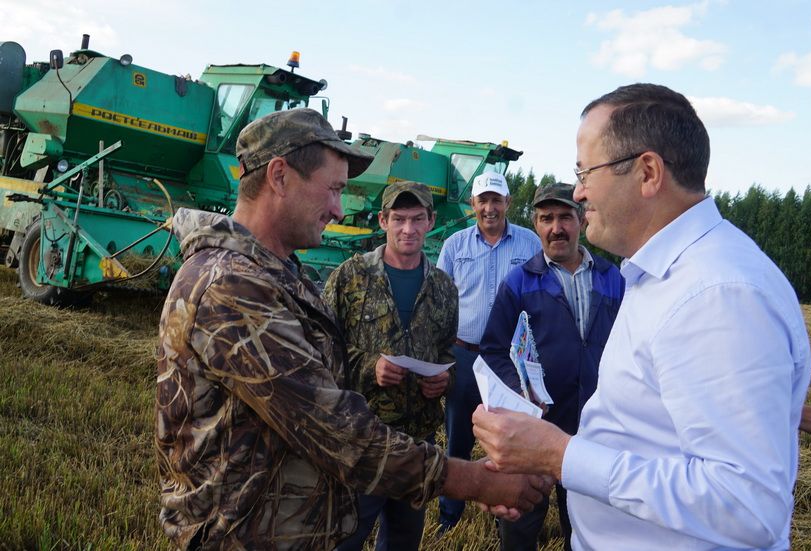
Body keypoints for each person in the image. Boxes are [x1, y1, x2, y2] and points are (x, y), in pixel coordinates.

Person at [155, 108, 551, 550]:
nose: (339, 208)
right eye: (334, 189)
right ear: (280, 177)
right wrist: (475, 481)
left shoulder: (278, 275)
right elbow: (337, 431)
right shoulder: (233, 287)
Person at [472, 84, 811, 550]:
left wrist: (562, 456)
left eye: (585, 171)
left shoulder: (718, 294)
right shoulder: (658, 275)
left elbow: (747, 505)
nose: (579, 191)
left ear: (648, 172)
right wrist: (551, 458)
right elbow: (643, 430)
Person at [480, 182, 624, 550]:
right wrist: (523, 394)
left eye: (564, 217)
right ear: (536, 224)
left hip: (594, 429)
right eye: (546, 218)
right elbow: (494, 350)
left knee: (583, 526)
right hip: (534, 429)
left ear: (580, 220)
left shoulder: (613, 279)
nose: (555, 227)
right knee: (521, 525)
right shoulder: (519, 282)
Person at [322, 180, 458, 551]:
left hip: (417, 440)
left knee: (403, 538)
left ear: (431, 221)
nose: (408, 229)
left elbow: (447, 349)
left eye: (417, 219)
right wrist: (370, 367)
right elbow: (321, 349)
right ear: (383, 220)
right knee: (345, 537)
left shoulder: (444, 287)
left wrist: (444, 378)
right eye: (399, 219)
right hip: (361, 435)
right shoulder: (350, 277)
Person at [436, 171, 541, 530]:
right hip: (464, 356)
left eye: (497, 200)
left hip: (512, 363)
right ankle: (450, 518)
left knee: (510, 441)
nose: (490, 208)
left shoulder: (529, 244)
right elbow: (440, 301)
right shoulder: (454, 246)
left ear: (509, 203)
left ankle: (506, 517)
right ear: (473, 204)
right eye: (483, 201)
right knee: (458, 439)